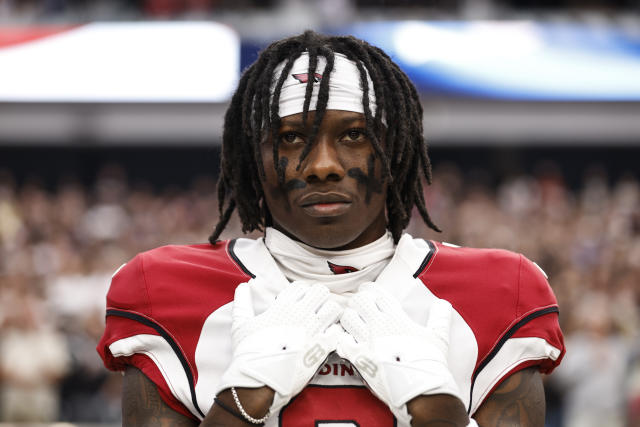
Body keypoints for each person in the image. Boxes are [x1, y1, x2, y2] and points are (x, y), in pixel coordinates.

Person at [97, 31, 565, 426]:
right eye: (291, 137)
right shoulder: (163, 288)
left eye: (354, 135)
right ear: (252, 159)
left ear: (396, 151)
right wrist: (242, 401)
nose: (322, 166)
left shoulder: (502, 290)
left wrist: (438, 412)